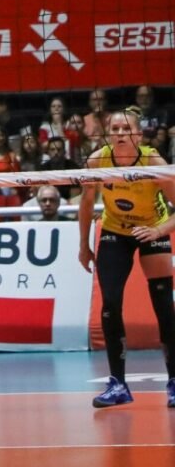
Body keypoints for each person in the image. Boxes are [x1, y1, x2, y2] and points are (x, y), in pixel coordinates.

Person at [79, 110, 175, 409]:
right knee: (110, 304)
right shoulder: (97, 161)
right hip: (114, 230)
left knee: (163, 305)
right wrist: (83, 245)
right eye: (115, 128)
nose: (120, 133)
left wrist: (158, 230)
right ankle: (118, 384)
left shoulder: (154, 163)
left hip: (151, 227)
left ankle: (174, 382)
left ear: (138, 134)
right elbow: (85, 205)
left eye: (126, 128)